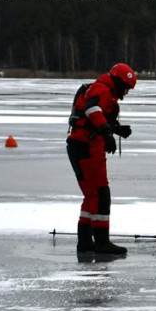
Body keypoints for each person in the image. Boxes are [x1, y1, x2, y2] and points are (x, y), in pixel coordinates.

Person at [66, 62, 137, 255]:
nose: (126, 92)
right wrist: (107, 132)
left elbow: (94, 115)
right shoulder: (102, 89)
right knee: (101, 194)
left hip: (83, 146)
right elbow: (92, 110)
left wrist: (116, 130)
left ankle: (85, 241)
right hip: (86, 148)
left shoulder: (102, 89)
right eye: (126, 88)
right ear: (117, 81)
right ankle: (101, 242)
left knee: (92, 195)